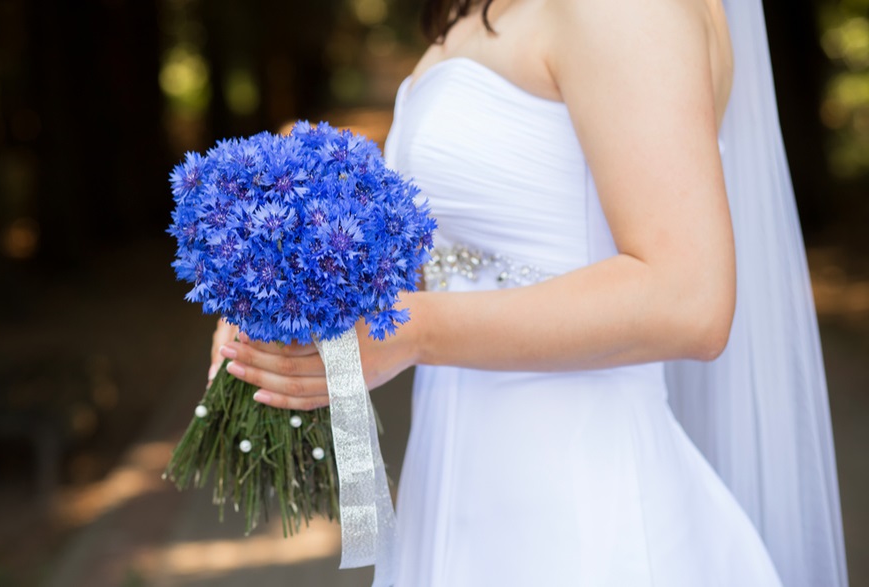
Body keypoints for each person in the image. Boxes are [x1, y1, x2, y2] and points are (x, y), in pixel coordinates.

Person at [209, 0, 849, 585]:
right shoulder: (476, 9)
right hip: (456, 495)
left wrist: (412, 330)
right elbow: (464, 257)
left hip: (580, 510)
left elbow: (689, 300)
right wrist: (297, 300)